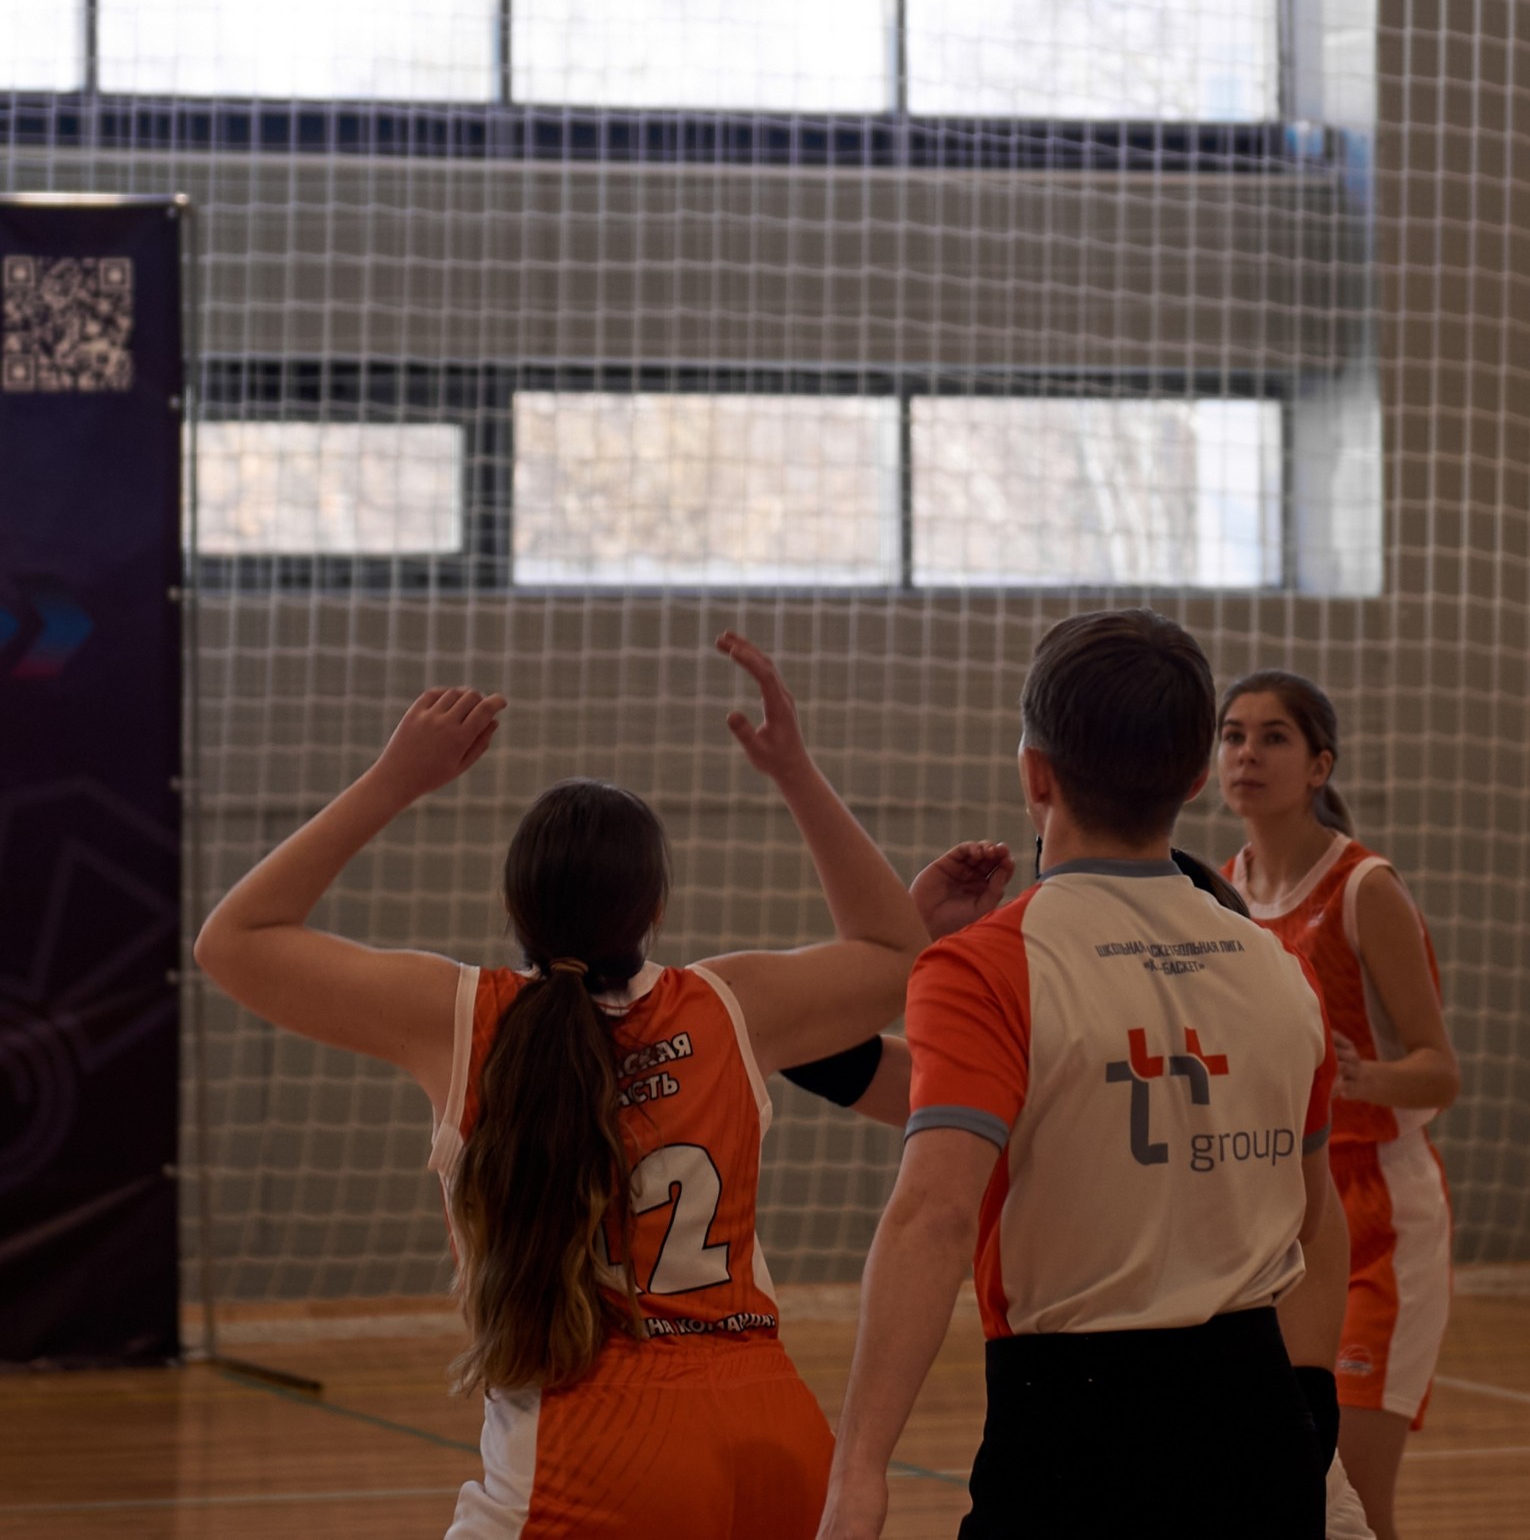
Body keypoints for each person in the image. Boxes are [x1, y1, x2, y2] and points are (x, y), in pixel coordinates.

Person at [194, 632, 927, 1540]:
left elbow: (233, 941)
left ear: (515, 909)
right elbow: (898, 951)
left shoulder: (460, 1017)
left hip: (595, 1445)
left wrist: (393, 781)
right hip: (775, 1433)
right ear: (656, 910)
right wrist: (796, 774)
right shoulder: (732, 1003)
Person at [816, 608, 1339, 1540]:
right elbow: (1316, 1213)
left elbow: (934, 1216)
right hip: (1264, 1424)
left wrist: (858, 1469)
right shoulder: (1283, 969)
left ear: (1035, 773)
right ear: (1195, 777)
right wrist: (1310, 1395)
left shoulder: (989, 963)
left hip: (1076, 1428)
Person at [1220, 669, 1461, 1540]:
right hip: (1270, 1214)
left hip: (1378, 1212)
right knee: (1287, 1494)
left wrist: (1362, 1078)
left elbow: (1440, 1072)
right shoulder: (1220, 892)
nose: (1247, 754)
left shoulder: (1364, 888)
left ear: (1320, 765)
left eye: (1273, 737)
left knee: (1354, 1497)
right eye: (1233, 735)